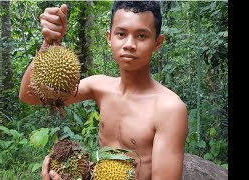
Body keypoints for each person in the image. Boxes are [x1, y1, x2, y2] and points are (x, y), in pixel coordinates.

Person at [19, 1, 188, 180]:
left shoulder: (169, 109)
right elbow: (30, 96)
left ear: (157, 43)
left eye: (141, 36)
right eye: (121, 34)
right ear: (109, 38)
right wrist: (48, 43)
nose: (129, 44)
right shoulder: (98, 86)